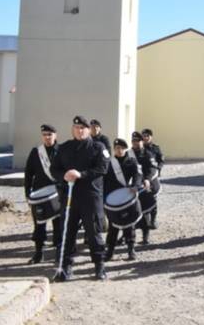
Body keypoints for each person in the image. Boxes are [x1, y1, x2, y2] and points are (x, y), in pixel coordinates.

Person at [50, 115, 110, 281]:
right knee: (67, 232)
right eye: (76, 128)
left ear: (88, 130)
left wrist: (81, 174)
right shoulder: (64, 148)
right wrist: (64, 175)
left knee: (94, 233)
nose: (79, 131)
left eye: (82, 128)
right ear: (73, 129)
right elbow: (54, 169)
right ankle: (66, 267)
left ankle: (99, 266)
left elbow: (103, 168)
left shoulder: (98, 147)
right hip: (69, 197)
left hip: (90, 197)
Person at [24, 124, 61, 264]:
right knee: (39, 225)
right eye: (44, 135)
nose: (47, 137)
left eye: (50, 134)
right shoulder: (36, 152)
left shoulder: (62, 151)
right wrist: (27, 193)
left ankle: (59, 252)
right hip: (39, 194)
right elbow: (28, 174)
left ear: (55, 135)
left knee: (59, 225)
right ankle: (38, 253)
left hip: (57, 194)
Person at [104, 138, 143, 262]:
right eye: (117, 148)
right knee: (113, 225)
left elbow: (138, 175)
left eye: (121, 148)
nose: (119, 150)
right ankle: (110, 252)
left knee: (129, 224)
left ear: (125, 149)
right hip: (112, 199)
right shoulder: (109, 163)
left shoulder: (131, 162)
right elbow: (103, 180)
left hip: (126, 196)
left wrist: (135, 186)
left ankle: (131, 250)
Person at [131, 132, 160, 245]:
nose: (136, 143)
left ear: (142, 142)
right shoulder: (129, 153)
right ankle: (127, 236)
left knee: (145, 210)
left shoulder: (148, 154)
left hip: (146, 184)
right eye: (134, 141)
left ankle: (145, 237)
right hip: (134, 185)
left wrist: (147, 179)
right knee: (130, 212)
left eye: (138, 141)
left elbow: (153, 169)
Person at [141, 128, 165, 229]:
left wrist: (158, 169)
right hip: (142, 176)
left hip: (153, 176)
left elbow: (161, 160)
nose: (146, 138)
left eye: (148, 136)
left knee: (153, 198)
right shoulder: (139, 148)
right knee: (143, 198)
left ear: (151, 137)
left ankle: (153, 220)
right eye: (144, 136)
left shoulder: (156, 148)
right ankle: (145, 220)